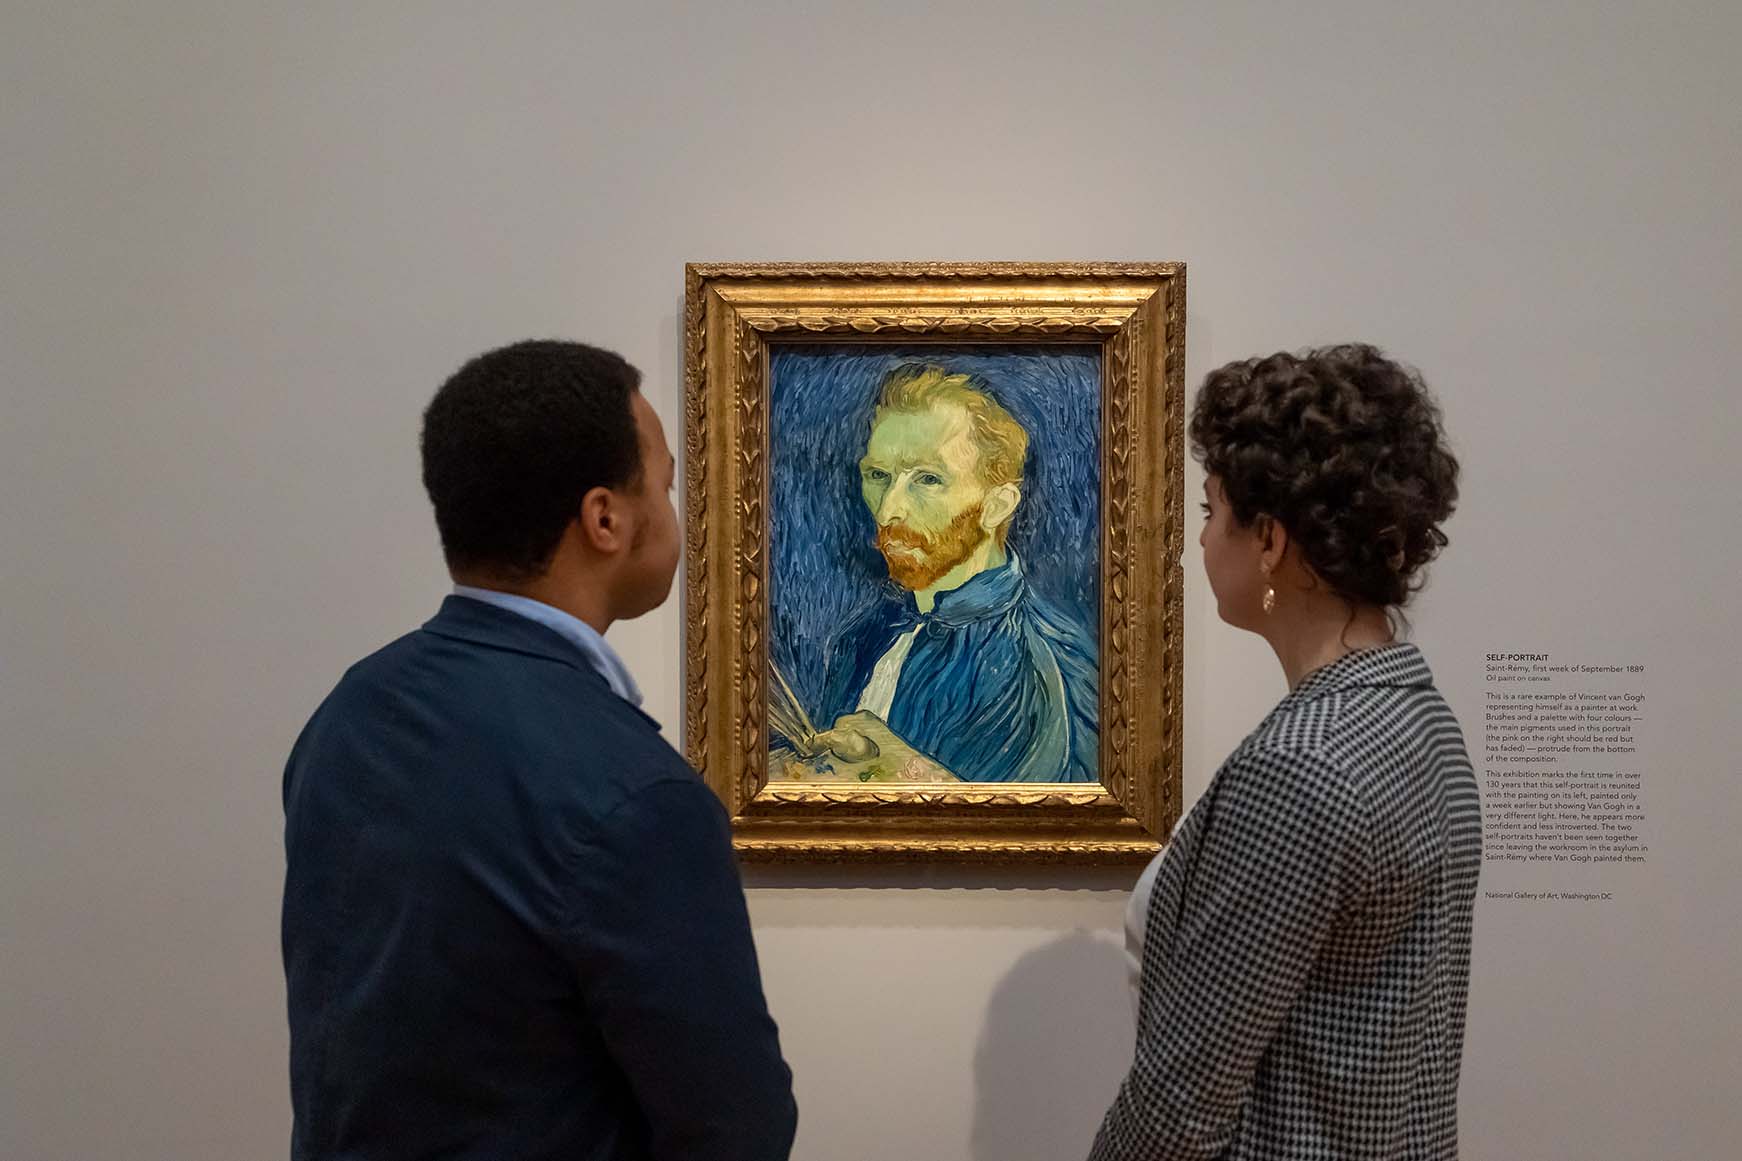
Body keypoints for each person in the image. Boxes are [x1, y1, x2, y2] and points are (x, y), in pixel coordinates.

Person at [281, 340, 796, 1161]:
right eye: (665, 485)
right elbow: (736, 1127)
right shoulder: (637, 795)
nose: (675, 510)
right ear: (605, 519)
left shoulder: (350, 714)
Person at [1090, 344, 1480, 1160]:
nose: (1200, 540)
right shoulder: (1422, 718)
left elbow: (1179, 1104)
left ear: (1268, 538)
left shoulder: (1301, 764)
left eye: (1210, 510)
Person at [798, 363, 1098, 783]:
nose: (888, 510)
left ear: (996, 506)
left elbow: (1032, 824)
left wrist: (902, 771)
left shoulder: (1041, 672)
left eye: (928, 479)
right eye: (878, 475)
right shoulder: (863, 638)